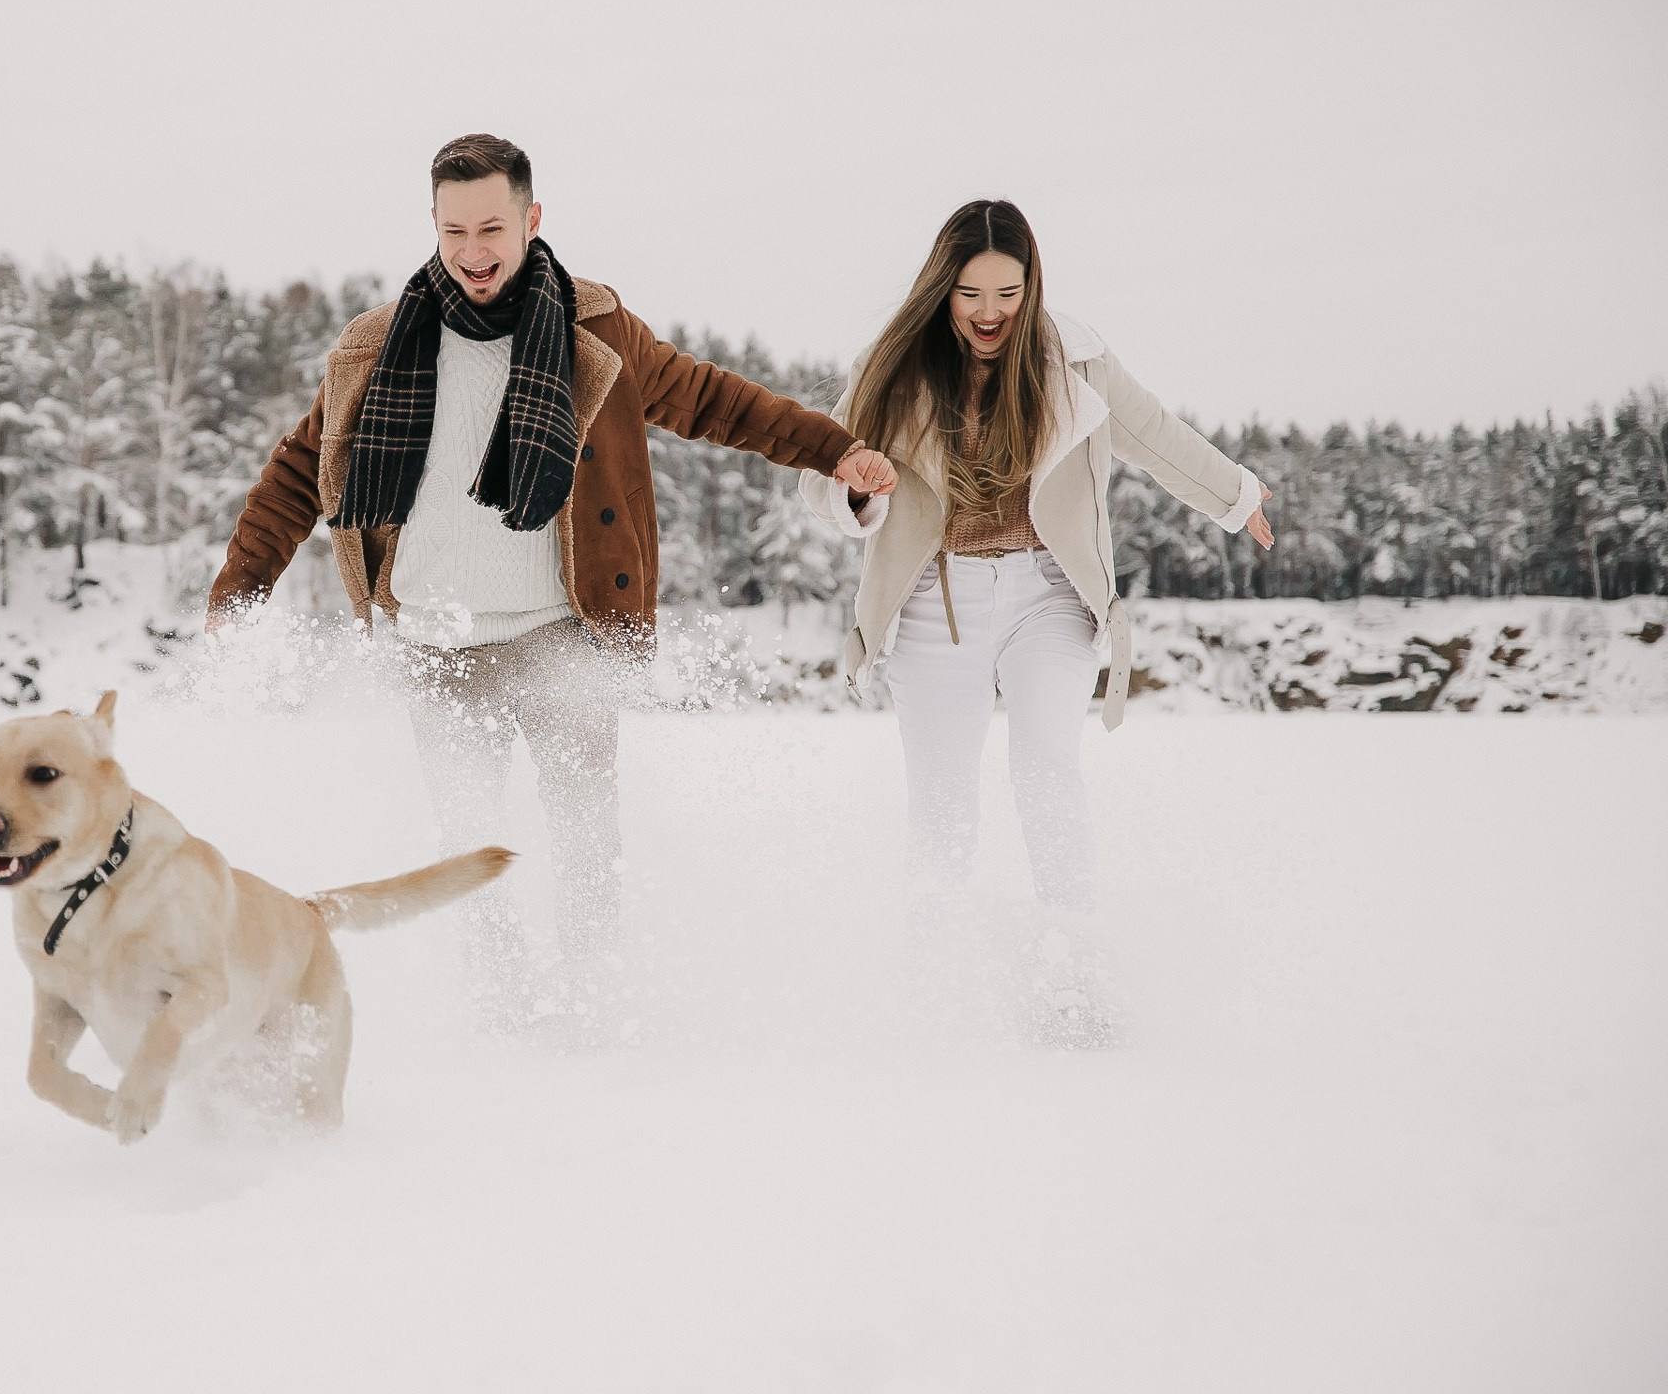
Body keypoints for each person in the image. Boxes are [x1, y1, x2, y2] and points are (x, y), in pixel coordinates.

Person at [209, 133, 896, 1024]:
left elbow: (717, 401)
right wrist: (240, 592)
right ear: (434, 226)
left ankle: (592, 1010)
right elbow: (300, 470)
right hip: (433, 648)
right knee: (467, 854)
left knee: (585, 843)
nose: (473, 251)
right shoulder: (374, 347)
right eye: (454, 230)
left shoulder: (596, 333)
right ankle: (501, 1015)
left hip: (556, 638)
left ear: (531, 219)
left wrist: (835, 451)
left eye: (491, 226)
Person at [797, 198, 1273, 1044]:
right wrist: (851, 486)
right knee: (942, 808)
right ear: (942, 289)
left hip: (1049, 593)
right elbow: (820, 476)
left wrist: (1236, 499)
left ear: (1033, 283)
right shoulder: (894, 364)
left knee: (1047, 770)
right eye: (970, 293)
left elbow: (1156, 436)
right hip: (932, 602)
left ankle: (1073, 985)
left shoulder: (1074, 360)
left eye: (1008, 293)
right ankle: (933, 988)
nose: (989, 314)